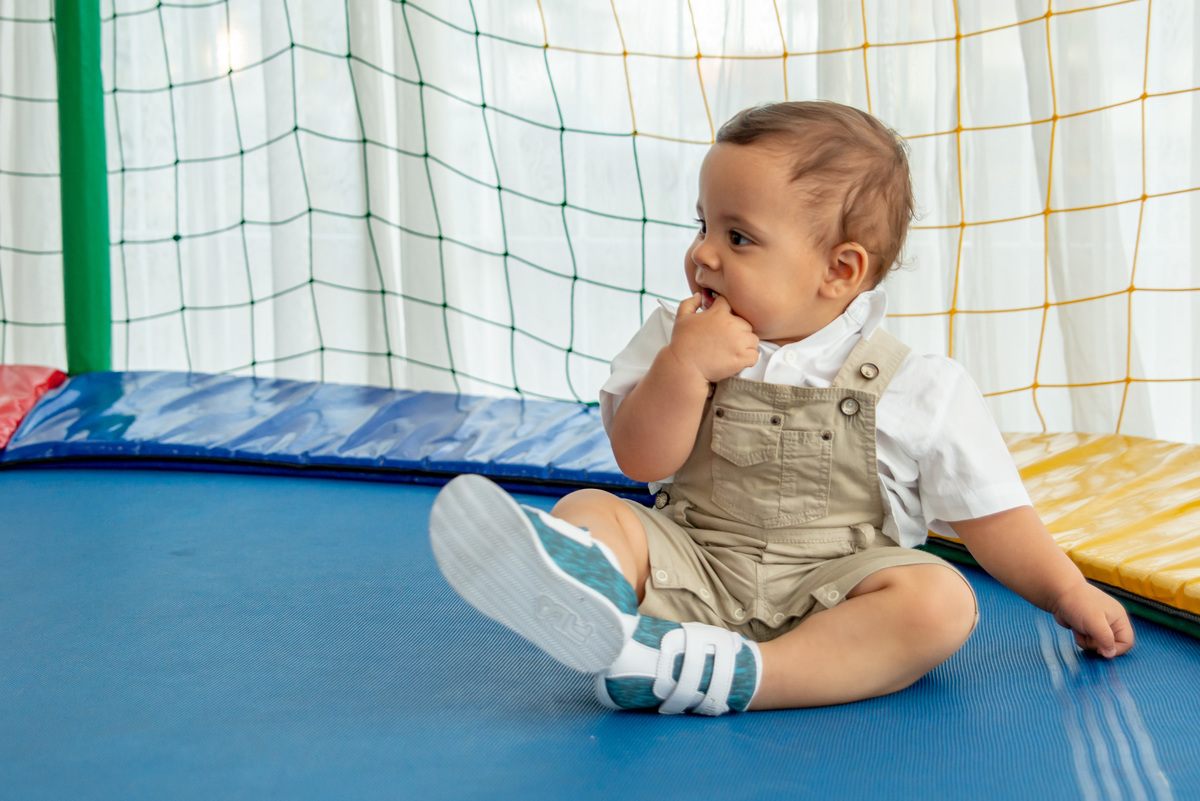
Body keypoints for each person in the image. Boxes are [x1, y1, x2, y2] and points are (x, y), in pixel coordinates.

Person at [428, 100, 1135, 716]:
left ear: (840, 270)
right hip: (692, 566)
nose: (702, 252)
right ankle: (606, 615)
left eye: (738, 237)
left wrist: (1068, 592)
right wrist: (685, 365)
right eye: (702, 224)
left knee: (942, 602)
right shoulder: (676, 338)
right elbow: (639, 458)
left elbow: (995, 515)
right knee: (592, 510)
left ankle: (746, 677)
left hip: (829, 594)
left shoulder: (919, 386)